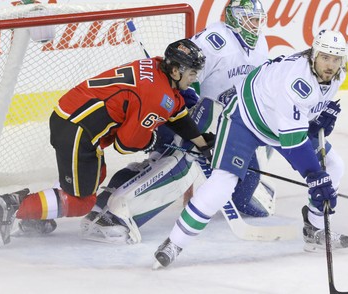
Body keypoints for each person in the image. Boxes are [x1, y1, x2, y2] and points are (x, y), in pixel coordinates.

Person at [77, 0, 276, 244]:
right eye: (251, 19)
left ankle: (107, 198)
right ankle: (118, 214)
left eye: (258, 20)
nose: (255, 25)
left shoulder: (261, 44)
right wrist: (189, 108)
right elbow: (184, 74)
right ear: (235, 17)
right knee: (182, 163)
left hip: (228, 120)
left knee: (246, 191)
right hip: (194, 112)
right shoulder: (216, 40)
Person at [153, 29, 348, 269]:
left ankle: (316, 229)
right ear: (313, 55)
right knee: (223, 182)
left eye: (335, 58)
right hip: (244, 118)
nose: (330, 64)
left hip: (279, 122)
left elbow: (303, 117)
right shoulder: (297, 81)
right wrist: (315, 177)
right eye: (325, 57)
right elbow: (294, 142)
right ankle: (175, 242)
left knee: (335, 165)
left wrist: (318, 117)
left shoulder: (337, 75)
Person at [0, 38, 213, 248]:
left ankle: (38, 213)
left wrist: (201, 142)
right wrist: (154, 139)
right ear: (175, 71)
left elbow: (175, 113)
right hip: (77, 129)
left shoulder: (157, 66)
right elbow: (125, 144)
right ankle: (13, 207)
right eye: (192, 73)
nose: (193, 79)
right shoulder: (157, 95)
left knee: (95, 176)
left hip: (75, 118)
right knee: (81, 202)